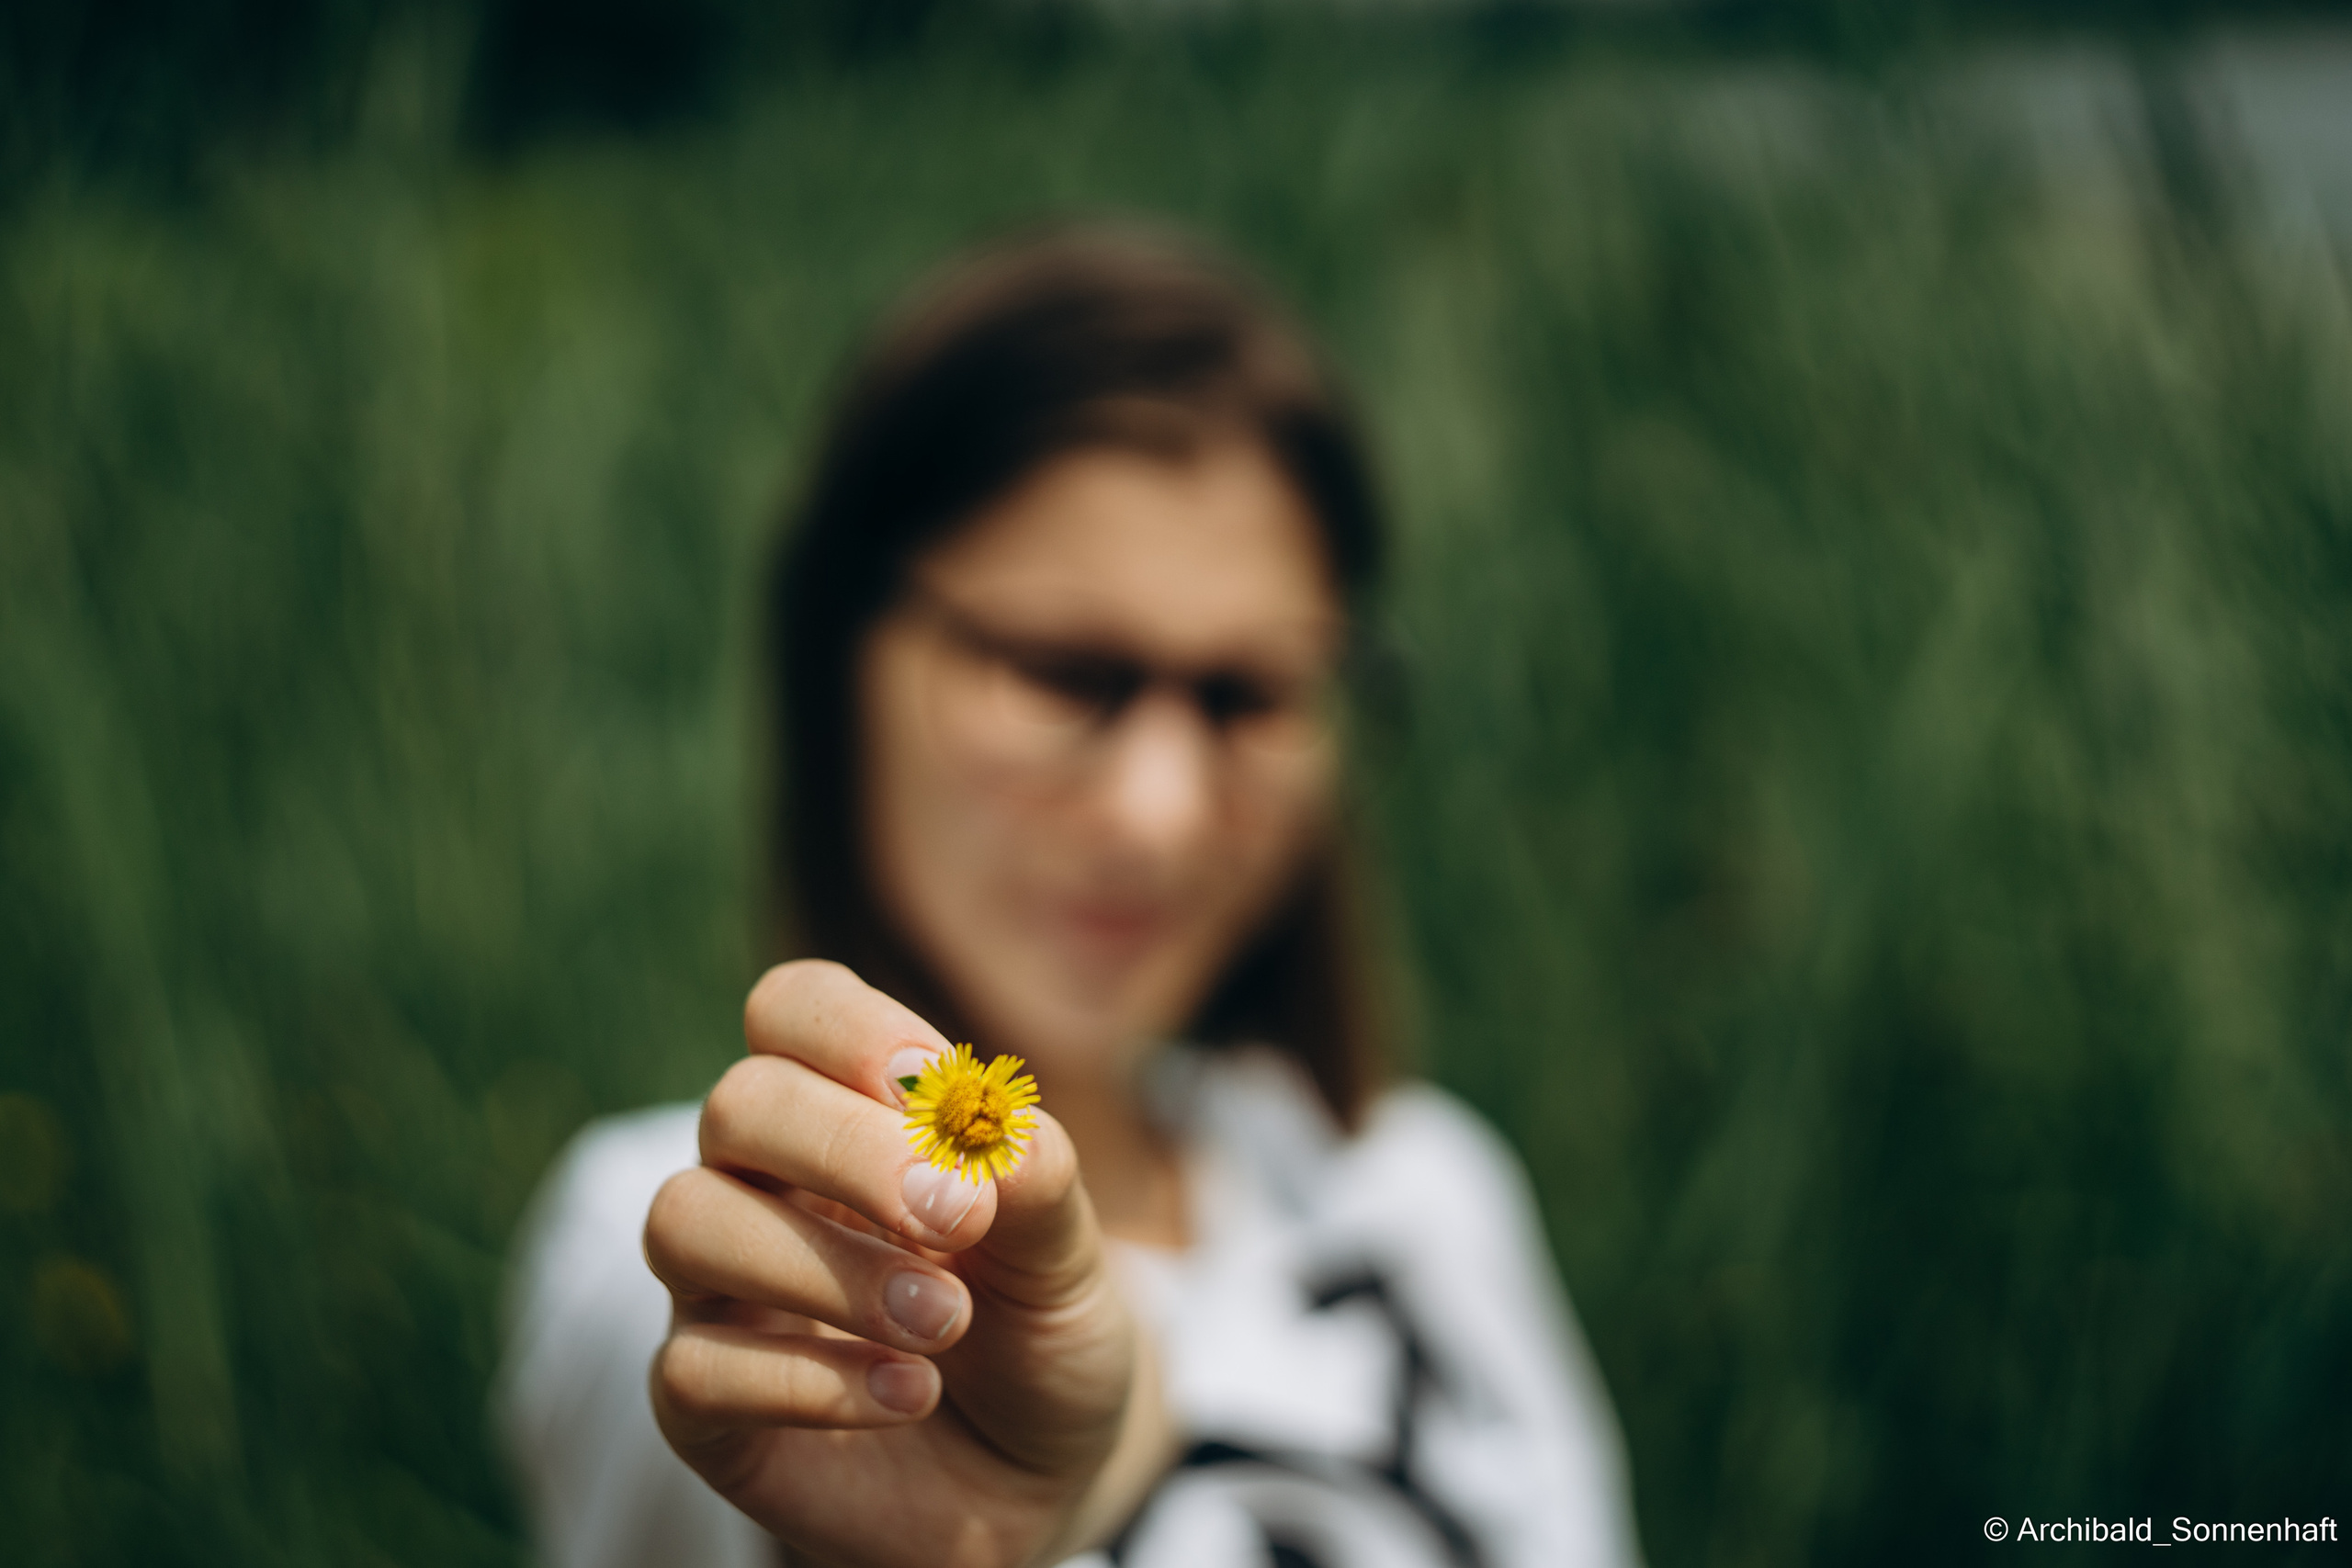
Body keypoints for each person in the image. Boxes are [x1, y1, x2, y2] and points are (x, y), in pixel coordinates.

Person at [497, 224, 1643, 1568]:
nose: (1159, 816)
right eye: (1063, 673)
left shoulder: (1428, 1193)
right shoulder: (702, 1253)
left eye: (1248, 697)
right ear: (840, 654)